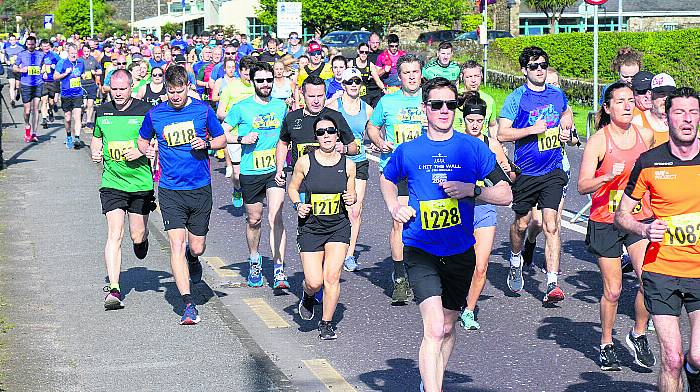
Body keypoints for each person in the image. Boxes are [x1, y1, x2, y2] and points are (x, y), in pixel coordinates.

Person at [380, 77, 512, 392]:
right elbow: (387, 179)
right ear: (425, 108)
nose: (444, 110)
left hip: (460, 250)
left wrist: (473, 190)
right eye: (437, 104)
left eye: (450, 105)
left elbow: (506, 193)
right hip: (420, 248)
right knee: (435, 328)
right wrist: (393, 208)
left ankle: (431, 381)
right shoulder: (409, 150)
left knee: (450, 326)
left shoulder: (473, 148)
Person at [615, 87, 700, 392]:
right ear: (667, 116)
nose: (687, 120)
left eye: (693, 113)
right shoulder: (649, 162)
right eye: (679, 112)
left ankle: (694, 370)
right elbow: (621, 215)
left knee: (697, 357)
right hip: (661, 270)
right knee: (672, 358)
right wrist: (643, 229)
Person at [137, 65, 226, 324]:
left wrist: (207, 144)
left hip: (199, 187)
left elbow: (221, 138)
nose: (175, 96)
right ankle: (189, 304)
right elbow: (143, 140)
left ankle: (193, 259)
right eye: (171, 91)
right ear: (166, 89)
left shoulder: (202, 110)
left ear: (188, 87)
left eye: (180, 91)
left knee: (196, 246)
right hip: (170, 189)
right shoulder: (155, 115)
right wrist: (147, 150)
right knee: (176, 244)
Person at [578, 81, 656, 371]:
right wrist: (607, 176)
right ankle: (607, 343)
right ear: (607, 108)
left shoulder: (644, 135)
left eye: (629, 100)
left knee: (648, 279)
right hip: (606, 220)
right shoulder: (599, 140)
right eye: (619, 101)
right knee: (613, 290)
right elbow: (583, 185)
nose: (626, 105)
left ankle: (637, 334)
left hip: (637, 216)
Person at [497, 46, 574, 303]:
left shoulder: (556, 94)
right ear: (524, 71)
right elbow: (502, 134)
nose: (539, 70)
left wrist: (567, 128)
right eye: (534, 66)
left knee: (551, 225)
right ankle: (516, 258)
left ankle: (552, 283)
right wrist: (532, 129)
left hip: (552, 169)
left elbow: (566, 112)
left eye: (543, 65)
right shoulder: (516, 98)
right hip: (527, 172)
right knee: (521, 224)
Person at [221, 62, 290, 290]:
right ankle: (254, 259)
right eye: (260, 80)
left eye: (269, 80)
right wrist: (241, 139)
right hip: (251, 172)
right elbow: (223, 133)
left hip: (275, 170)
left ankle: (279, 268)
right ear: (252, 82)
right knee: (255, 220)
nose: (265, 84)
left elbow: (288, 135)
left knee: (275, 217)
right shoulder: (241, 108)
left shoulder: (281, 107)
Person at [90, 69, 154, 310]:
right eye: (114, 89)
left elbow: (155, 140)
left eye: (122, 89)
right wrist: (95, 151)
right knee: (114, 234)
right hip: (112, 182)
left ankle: (142, 241)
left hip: (140, 183)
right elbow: (97, 137)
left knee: (137, 235)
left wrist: (141, 150)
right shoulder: (102, 111)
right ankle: (114, 289)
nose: (118, 93)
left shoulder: (145, 111)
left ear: (131, 87)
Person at [289, 114, 357, 339]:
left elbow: (352, 193)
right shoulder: (305, 161)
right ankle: (308, 295)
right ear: (316, 137)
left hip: (338, 226)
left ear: (338, 135)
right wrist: (298, 204)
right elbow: (293, 188)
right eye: (321, 132)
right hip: (311, 227)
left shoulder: (348, 164)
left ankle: (326, 323)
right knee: (315, 281)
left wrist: (350, 198)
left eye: (330, 131)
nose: (326, 135)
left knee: (332, 277)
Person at [367, 53, 425, 305]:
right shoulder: (388, 101)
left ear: (421, 74)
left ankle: (425, 273)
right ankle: (400, 278)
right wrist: (379, 141)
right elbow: (372, 126)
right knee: (400, 222)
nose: (412, 76)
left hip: (426, 169)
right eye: (407, 73)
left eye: (415, 72)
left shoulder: (431, 100)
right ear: (399, 77)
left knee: (428, 223)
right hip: (396, 169)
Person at [457, 92, 515, 331]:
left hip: (485, 207)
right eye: (471, 120)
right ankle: (452, 299)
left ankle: (469, 310)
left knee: (481, 265)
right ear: (464, 120)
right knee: (459, 262)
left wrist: (507, 170)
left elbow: (509, 177)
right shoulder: (457, 143)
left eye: (479, 121)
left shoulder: (491, 144)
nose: (474, 125)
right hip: (459, 209)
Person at [520, 67, 580, 269]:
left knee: (553, 221)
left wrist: (568, 137)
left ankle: (552, 268)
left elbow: (574, 140)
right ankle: (529, 241)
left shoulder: (563, 109)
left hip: (558, 169)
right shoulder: (529, 106)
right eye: (549, 83)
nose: (552, 87)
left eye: (556, 84)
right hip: (534, 169)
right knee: (536, 222)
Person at [326, 68, 373, 272]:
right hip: (336, 163)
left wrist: (380, 142)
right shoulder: (333, 107)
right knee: (335, 207)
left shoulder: (368, 109)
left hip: (359, 161)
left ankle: (350, 253)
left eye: (357, 81)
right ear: (343, 85)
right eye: (350, 81)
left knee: (354, 209)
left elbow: (374, 131)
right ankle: (331, 245)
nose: (354, 85)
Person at [275, 75, 358, 185]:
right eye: (311, 96)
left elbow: (354, 148)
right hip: (302, 182)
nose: (316, 101)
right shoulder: (292, 117)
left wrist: (344, 149)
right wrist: (279, 169)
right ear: (303, 95)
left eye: (320, 96)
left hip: (331, 181)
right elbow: (283, 143)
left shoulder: (336, 117)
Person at [217, 56, 257, 208]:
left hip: (256, 134)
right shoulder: (230, 88)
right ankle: (237, 189)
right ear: (240, 72)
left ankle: (253, 197)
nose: (248, 77)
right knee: (237, 173)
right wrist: (238, 117)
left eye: (251, 73)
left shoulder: (258, 86)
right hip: (236, 135)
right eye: (245, 73)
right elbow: (220, 112)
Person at [54, 43, 86, 149]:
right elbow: (55, 77)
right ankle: (68, 136)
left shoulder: (81, 62)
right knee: (67, 118)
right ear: (68, 52)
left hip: (78, 93)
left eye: (75, 53)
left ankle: (77, 137)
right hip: (66, 93)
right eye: (72, 53)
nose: (74, 55)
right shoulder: (62, 63)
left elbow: (83, 73)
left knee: (77, 117)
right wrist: (65, 74)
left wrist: (83, 76)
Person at [13, 35, 44, 143]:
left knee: (36, 109)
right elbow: (14, 67)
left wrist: (44, 70)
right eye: (29, 44)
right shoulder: (22, 54)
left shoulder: (40, 54)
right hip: (26, 84)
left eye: (32, 44)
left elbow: (45, 65)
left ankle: (34, 133)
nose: (31, 46)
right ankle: (27, 126)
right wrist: (21, 69)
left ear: (35, 44)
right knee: (27, 111)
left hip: (38, 84)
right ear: (26, 44)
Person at [453, 61, 497, 136]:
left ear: (482, 75)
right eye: (469, 77)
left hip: (481, 144)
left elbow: (492, 126)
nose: (473, 80)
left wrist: (496, 143)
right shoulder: (454, 98)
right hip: (459, 144)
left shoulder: (489, 100)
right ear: (461, 76)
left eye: (476, 76)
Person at [646, 73, 677, 145]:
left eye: (670, 94)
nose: (666, 99)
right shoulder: (638, 123)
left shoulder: (684, 123)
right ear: (650, 95)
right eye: (662, 94)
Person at [350, 42, 382, 107]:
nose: (364, 54)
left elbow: (377, 80)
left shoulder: (370, 65)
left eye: (366, 52)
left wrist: (384, 90)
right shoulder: (351, 64)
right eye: (362, 52)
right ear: (358, 52)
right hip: (354, 92)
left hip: (365, 93)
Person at [39, 39, 61, 129]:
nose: (46, 48)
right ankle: (44, 119)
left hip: (53, 81)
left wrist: (55, 67)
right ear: (41, 47)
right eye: (44, 46)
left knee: (51, 102)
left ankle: (50, 110)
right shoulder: (38, 55)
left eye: (47, 46)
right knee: (44, 100)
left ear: (50, 46)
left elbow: (62, 64)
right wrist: (41, 71)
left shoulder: (54, 55)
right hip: (43, 81)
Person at [81, 43, 103, 131]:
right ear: (82, 51)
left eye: (88, 51)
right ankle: (81, 117)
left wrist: (96, 73)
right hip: (82, 85)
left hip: (91, 85)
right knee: (84, 105)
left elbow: (100, 70)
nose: (86, 53)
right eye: (85, 51)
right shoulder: (79, 60)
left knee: (90, 105)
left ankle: (89, 121)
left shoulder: (93, 59)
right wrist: (80, 74)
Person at [5, 34, 24, 108]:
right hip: (10, 68)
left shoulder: (21, 49)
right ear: (9, 41)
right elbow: (5, 58)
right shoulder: (7, 49)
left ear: (16, 40)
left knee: (17, 86)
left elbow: (24, 58)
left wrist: (20, 63)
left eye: (14, 40)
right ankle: (12, 100)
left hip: (18, 69)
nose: (12, 41)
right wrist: (7, 62)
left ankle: (18, 92)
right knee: (12, 85)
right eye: (11, 40)